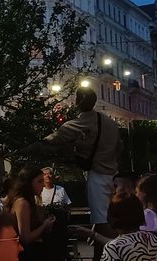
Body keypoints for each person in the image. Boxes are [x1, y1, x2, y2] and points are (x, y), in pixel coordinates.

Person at [32, 86, 122, 225]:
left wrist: (34, 145)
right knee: (113, 217)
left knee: (101, 219)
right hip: (114, 173)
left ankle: (106, 246)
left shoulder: (83, 121)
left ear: (78, 101)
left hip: (98, 174)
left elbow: (56, 137)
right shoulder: (110, 123)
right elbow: (119, 147)